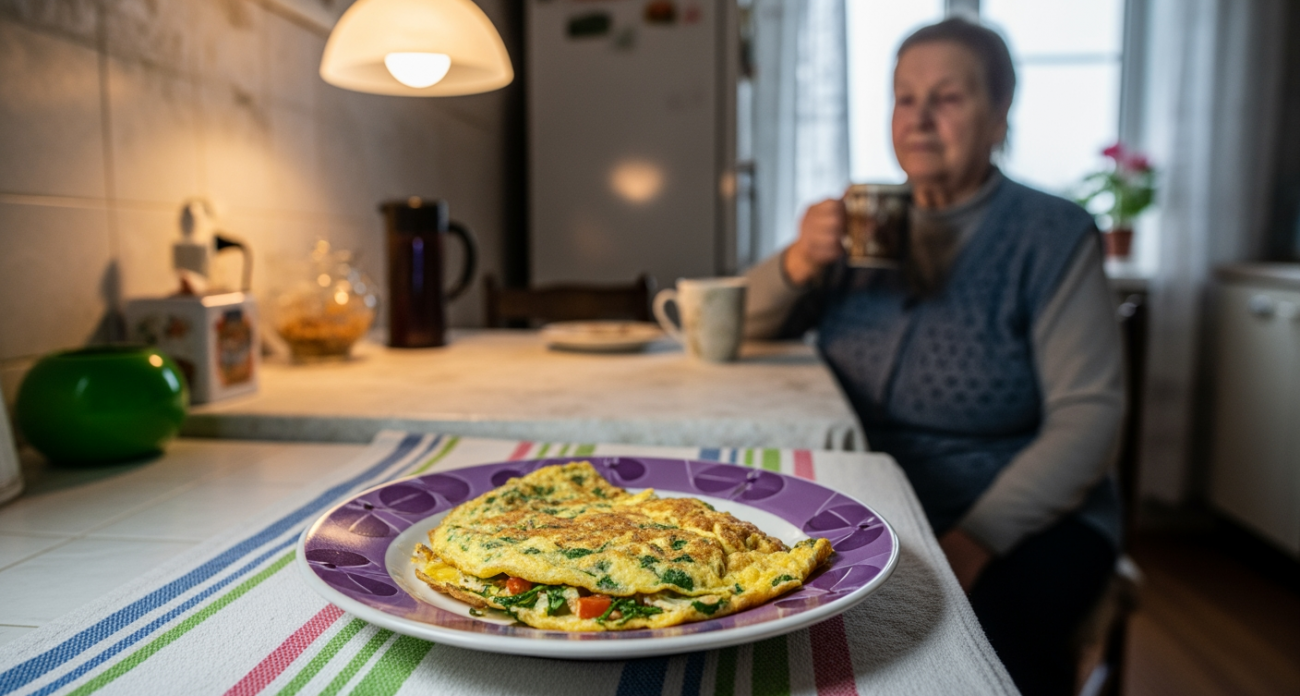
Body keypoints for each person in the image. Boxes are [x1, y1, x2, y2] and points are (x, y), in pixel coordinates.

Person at [744, 18, 1124, 696]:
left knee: (982, 656)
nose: (918, 119)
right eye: (903, 97)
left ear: (999, 111)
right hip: (871, 496)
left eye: (946, 98)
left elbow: (1089, 419)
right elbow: (737, 327)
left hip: (1018, 511)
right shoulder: (865, 221)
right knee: (772, 629)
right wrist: (799, 261)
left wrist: (975, 539)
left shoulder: (1051, 233)